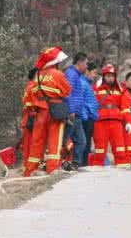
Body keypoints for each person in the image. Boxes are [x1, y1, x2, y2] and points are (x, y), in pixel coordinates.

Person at [24, 47, 72, 176]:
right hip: (55, 110)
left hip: (40, 112)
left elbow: (30, 94)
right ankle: (52, 169)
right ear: (55, 62)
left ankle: (30, 170)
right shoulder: (58, 74)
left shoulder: (37, 75)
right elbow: (67, 91)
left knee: (37, 141)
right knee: (54, 141)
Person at [92, 65, 127, 167]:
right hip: (100, 122)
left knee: (120, 149)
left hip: (116, 122)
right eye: (108, 76)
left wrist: (127, 122)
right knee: (99, 151)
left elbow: (124, 106)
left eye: (112, 76)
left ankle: (122, 171)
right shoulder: (96, 89)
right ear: (104, 77)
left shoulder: (120, 90)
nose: (110, 78)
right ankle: (96, 175)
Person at [63, 52, 88, 169]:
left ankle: (75, 164)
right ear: (80, 62)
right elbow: (68, 93)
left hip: (77, 115)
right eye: (86, 64)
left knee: (82, 141)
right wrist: (71, 111)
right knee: (63, 140)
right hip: (71, 114)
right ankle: (54, 163)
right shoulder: (71, 74)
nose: (87, 66)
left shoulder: (77, 75)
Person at [80, 62, 100, 166]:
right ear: (87, 71)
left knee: (87, 143)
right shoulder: (83, 83)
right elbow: (81, 101)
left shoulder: (87, 83)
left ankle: (84, 164)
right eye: (94, 72)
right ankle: (82, 164)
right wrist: (85, 116)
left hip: (90, 117)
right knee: (85, 142)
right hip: (86, 118)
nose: (95, 75)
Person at [20, 68, 38, 167]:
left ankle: (27, 165)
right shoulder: (33, 87)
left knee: (28, 144)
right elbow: (31, 105)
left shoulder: (28, 86)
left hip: (28, 119)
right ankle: (29, 166)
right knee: (31, 144)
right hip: (31, 119)